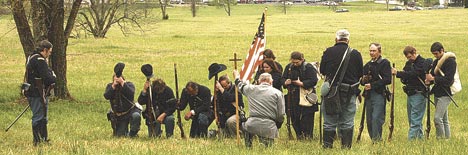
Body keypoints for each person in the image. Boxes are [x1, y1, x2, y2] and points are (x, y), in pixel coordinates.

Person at [320, 29, 363, 149]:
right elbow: (360, 73)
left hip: (331, 92)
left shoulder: (329, 51)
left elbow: (322, 70)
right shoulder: (355, 53)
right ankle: (346, 148)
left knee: (329, 122)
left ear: (336, 39)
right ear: (348, 40)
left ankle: (327, 148)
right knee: (347, 121)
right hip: (349, 91)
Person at [234, 71, 285, 147]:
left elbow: (239, 85)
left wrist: (236, 77)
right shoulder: (277, 93)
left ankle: (248, 147)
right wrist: (278, 124)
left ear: (258, 81)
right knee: (268, 150)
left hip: (251, 124)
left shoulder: (250, 89)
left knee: (245, 126)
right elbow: (281, 114)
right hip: (269, 126)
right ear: (271, 82)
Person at [392, 46, 428, 140]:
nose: (409, 59)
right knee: (412, 119)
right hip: (410, 93)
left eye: (410, 56)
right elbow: (406, 74)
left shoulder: (422, 62)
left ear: (414, 53)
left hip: (419, 93)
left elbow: (414, 73)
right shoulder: (408, 63)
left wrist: (399, 74)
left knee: (415, 119)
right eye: (407, 57)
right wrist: (403, 76)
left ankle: (411, 141)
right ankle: (420, 139)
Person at [25, 40, 56, 146]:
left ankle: (43, 139)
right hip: (37, 92)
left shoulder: (32, 57)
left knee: (42, 116)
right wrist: (53, 76)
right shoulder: (39, 60)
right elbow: (48, 78)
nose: (50, 54)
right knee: (39, 117)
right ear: (45, 50)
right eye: (49, 52)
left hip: (34, 91)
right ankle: (38, 141)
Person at [282, 51, 318, 140]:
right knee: (294, 117)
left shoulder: (308, 67)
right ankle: (299, 136)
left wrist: (301, 83)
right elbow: (283, 78)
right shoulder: (289, 67)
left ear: (302, 60)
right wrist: (285, 82)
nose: (295, 64)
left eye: (297, 62)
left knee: (307, 118)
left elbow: (314, 80)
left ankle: (308, 137)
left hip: (306, 96)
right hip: (292, 96)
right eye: (293, 62)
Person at [425, 42, 457, 139]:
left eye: (436, 53)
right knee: (444, 118)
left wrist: (433, 79)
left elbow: (449, 80)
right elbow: (432, 76)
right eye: (433, 54)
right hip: (438, 92)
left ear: (442, 50)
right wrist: (428, 80)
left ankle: (440, 139)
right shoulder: (435, 62)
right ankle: (447, 139)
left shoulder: (451, 62)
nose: (435, 56)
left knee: (437, 118)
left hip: (446, 93)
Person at [360, 43, 391, 142]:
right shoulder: (368, 65)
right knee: (369, 120)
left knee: (376, 118)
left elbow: (387, 79)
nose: (372, 53)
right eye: (370, 51)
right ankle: (374, 139)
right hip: (369, 95)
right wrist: (363, 80)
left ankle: (377, 141)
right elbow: (361, 79)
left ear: (379, 51)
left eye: (374, 51)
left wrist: (372, 85)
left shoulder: (384, 63)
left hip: (379, 93)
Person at [104, 63, 141, 137]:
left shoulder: (129, 85)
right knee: (120, 136)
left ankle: (133, 133)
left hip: (130, 111)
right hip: (119, 115)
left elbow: (130, 93)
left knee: (136, 116)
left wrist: (122, 83)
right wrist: (113, 86)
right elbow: (107, 96)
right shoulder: (110, 86)